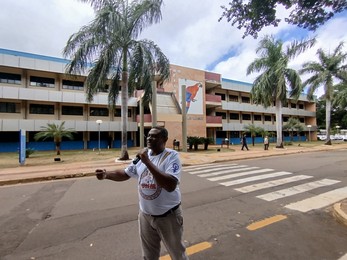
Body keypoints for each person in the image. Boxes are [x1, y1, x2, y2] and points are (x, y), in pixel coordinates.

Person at [95, 126, 188, 260]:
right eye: (149, 135)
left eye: (155, 136)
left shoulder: (171, 156)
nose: (150, 138)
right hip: (145, 216)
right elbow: (126, 173)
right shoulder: (142, 157)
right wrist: (106, 175)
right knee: (148, 256)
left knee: (177, 255)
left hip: (168, 216)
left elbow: (170, 185)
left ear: (164, 139)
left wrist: (148, 162)